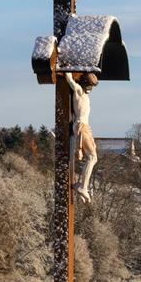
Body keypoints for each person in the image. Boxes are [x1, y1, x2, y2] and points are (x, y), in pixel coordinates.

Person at [64, 72, 98, 204]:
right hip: (81, 126)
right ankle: (83, 187)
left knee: (93, 157)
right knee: (92, 157)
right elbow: (69, 79)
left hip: (85, 126)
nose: (91, 89)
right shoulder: (78, 90)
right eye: (90, 85)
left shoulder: (86, 95)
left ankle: (82, 186)